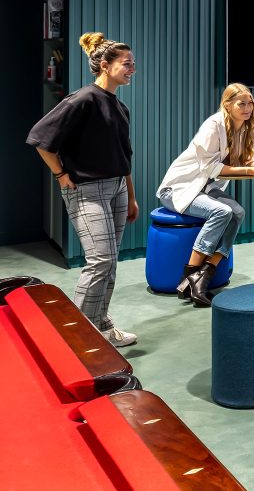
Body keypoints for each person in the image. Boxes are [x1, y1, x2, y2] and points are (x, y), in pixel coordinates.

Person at [27, 32, 140, 346]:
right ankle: (76, 338)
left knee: (110, 261)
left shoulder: (120, 107)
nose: (132, 69)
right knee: (100, 260)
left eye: (133, 64)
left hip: (117, 188)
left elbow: (124, 156)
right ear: (105, 65)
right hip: (87, 190)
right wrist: (61, 175)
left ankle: (102, 326)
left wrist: (130, 196)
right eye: (127, 64)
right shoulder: (82, 99)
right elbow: (39, 138)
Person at [157, 83, 254, 306]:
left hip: (206, 189)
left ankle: (205, 273)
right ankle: (190, 274)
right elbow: (211, 168)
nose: (247, 107)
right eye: (241, 103)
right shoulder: (213, 126)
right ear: (227, 105)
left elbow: (242, 162)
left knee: (237, 212)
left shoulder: (246, 127)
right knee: (222, 211)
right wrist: (249, 170)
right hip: (179, 189)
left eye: (250, 102)